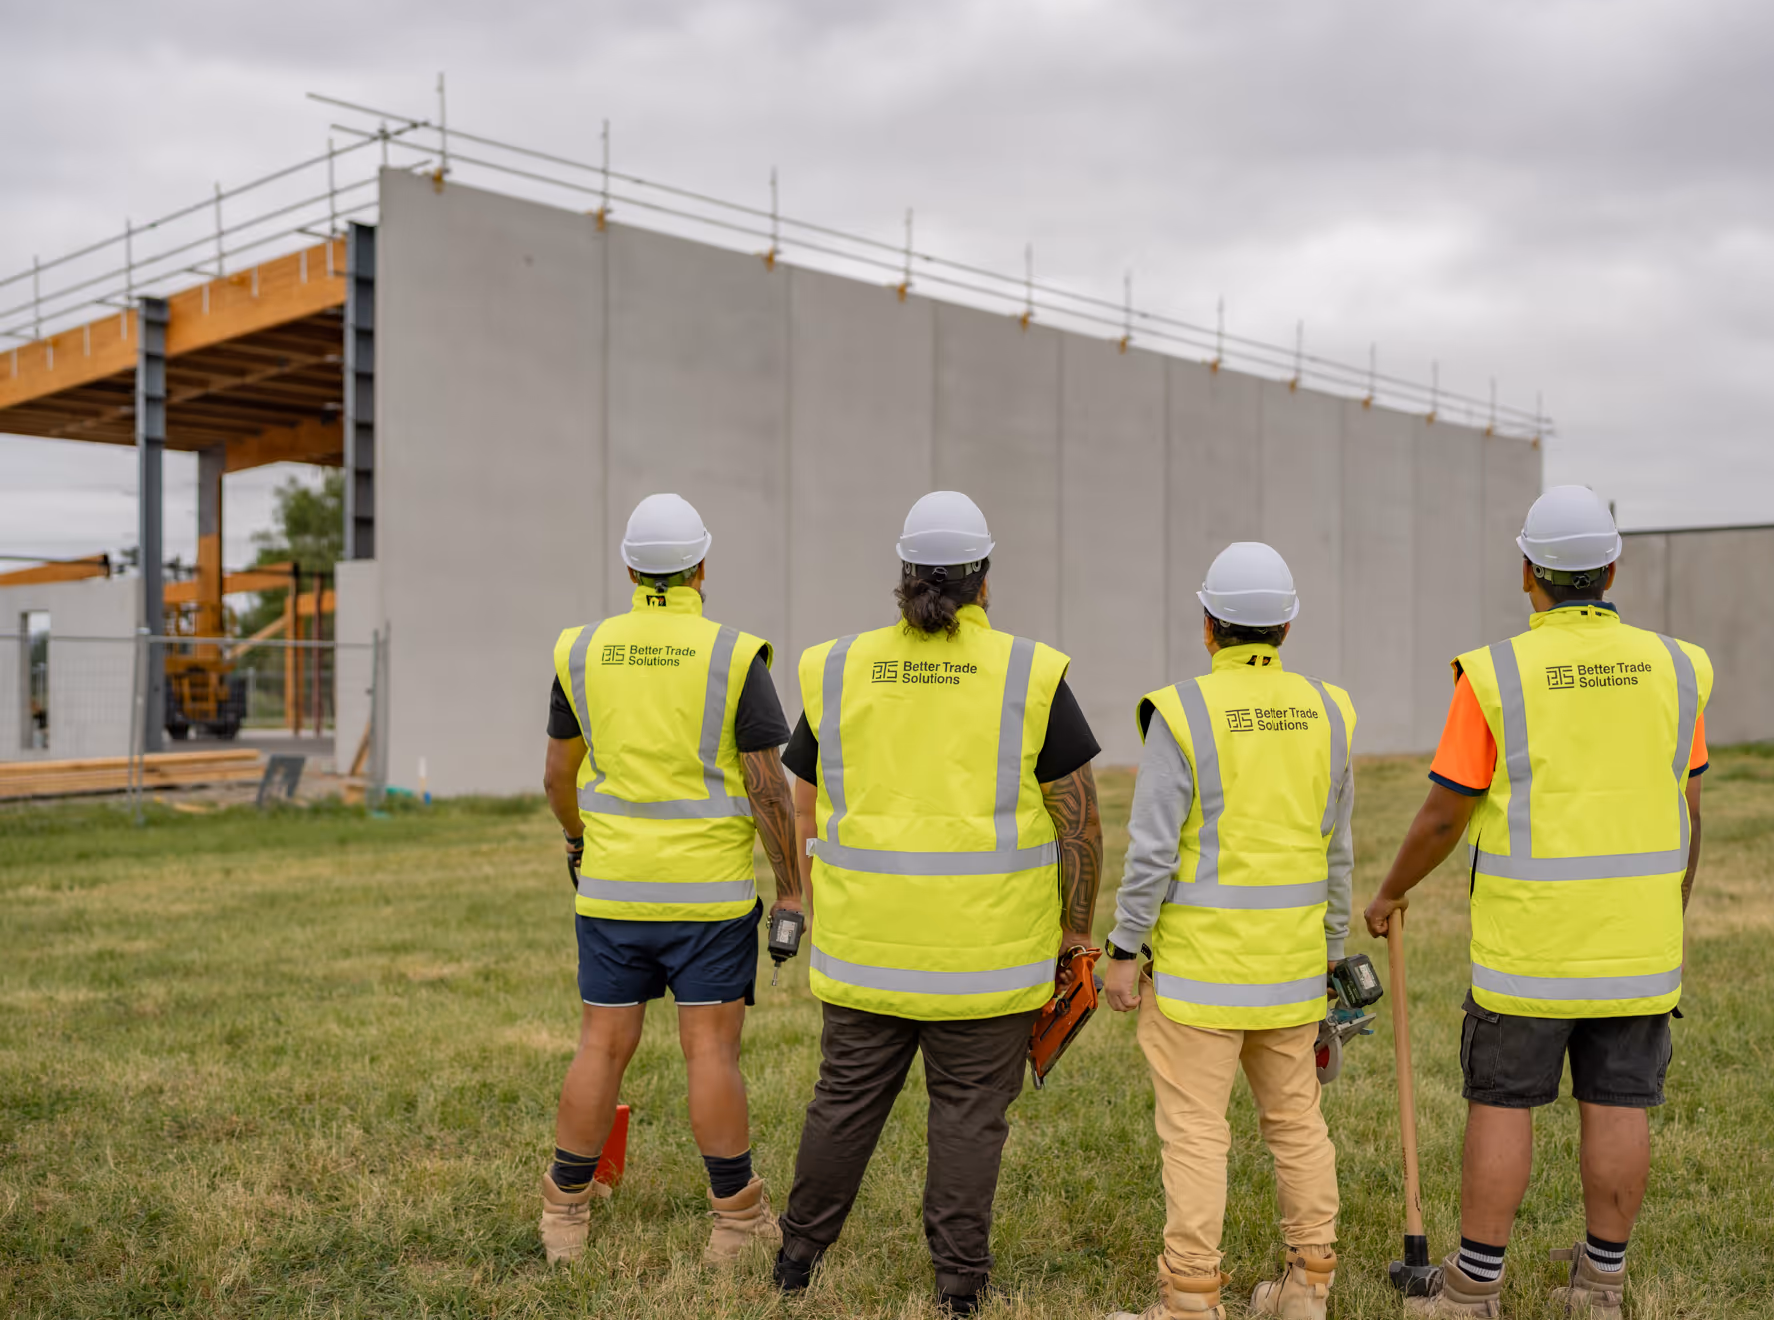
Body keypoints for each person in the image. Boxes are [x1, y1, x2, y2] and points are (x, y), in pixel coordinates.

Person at [1364, 484, 1713, 1318]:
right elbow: (1690, 811)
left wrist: (1391, 889)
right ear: (1611, 566)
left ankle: (1472, 1290)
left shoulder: (1495, 675)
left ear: (1529, 570)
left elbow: (1447, 810)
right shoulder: (1678, 667)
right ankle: (1600, 1287)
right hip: (1638, 943)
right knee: (1621, 1103)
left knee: (1503, 1103)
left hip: (1530, 949)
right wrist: (1669, 910)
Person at [771, 490, 1105, 1316]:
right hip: (987, 961)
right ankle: (959, 1287)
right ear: (984, 580)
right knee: (967, 1119)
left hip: (865, 950)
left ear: (905, 575)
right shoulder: (1029, 672)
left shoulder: (838, 666)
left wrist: (817, 893)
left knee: (842, 1102)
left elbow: (803, 799)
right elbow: (1081, 818)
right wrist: (1074, 929)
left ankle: (795, 1259)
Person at [537, 492, 806, 1266]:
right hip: (709, 897)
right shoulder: (732, 653)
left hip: (614, 888)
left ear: (629, 567)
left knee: (601, 1044)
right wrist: (788, 888)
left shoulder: (581, 651)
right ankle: (736, 1221)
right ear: (701, 566)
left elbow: (560, 773)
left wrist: (580, 840)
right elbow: (766, 785)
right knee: (710, 1053)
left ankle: (564, 1214)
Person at [1101, 542, 1358, 1320]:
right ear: (1285, 623)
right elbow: (1336, 852)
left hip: (1197, 980)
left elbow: (1151, 852)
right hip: (1290, 972)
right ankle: (1308, 1288)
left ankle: (1189, 1300)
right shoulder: (1328, 710)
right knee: (1296, 1124)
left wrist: (1122, 949)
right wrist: (1332, 954)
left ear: (1208, 624)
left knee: (1195, 1136)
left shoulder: (1181, 712)